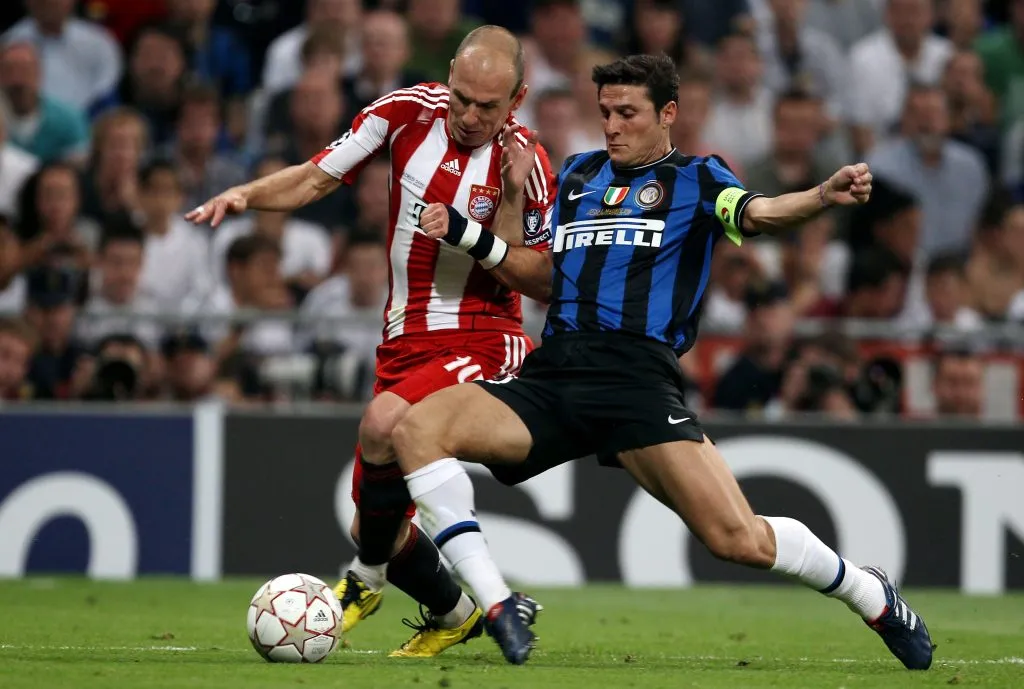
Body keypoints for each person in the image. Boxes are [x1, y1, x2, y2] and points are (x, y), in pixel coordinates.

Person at [390, 54, 934, 669]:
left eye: (627, 113)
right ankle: (492, 602)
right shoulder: (576, 175)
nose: (612, 126)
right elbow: (535, 272)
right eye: (605, 114)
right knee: (417, 428)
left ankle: (872, 594)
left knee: (737, 539)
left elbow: (757, 213)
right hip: (556, 374)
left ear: (667, 113)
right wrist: (506, 200)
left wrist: (821, 195)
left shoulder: (697, 179)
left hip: (636, 381)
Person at [186, 25, 554, 657]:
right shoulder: (405, 112)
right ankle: (453, 611)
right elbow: (315, 178)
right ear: (449, 76)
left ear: (515, 100)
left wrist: (513, 198)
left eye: (486, 107)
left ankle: (364, 581)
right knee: (374, 526)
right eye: (462, 97)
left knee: (385, 421)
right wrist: (248, 194)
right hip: (402, 338)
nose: (468, 115)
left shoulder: (528, 162)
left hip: (484, 335)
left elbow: (542, 277)